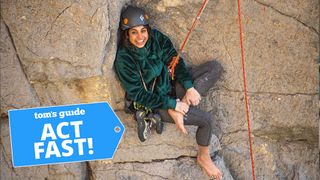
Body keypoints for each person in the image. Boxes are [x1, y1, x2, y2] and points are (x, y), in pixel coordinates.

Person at [114, 6, 223, 180]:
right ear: (126, 34)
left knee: (214, 68)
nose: (140, 37)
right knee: (207, 121)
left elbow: (175, 62)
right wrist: (171, 104)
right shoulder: (124, 59)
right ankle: (203, 156)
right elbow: (139, 95)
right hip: (156, 104)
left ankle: (182, 107)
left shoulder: (156, 38)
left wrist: (188, 87)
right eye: (134, 32)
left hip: (171, 86)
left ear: (148, 29)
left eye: (143, 30)